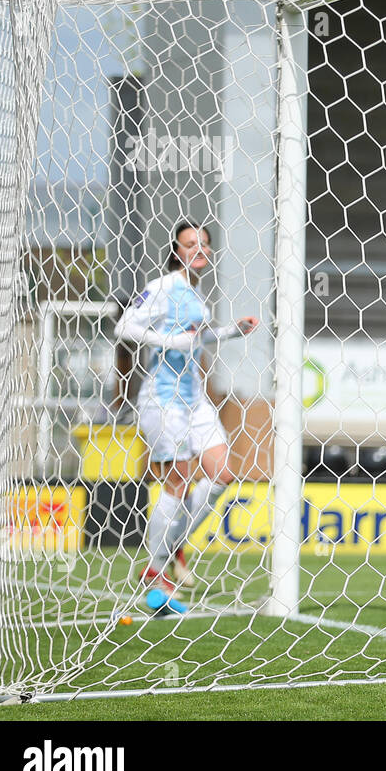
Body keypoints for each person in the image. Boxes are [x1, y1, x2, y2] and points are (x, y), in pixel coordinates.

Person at [116, 221, 259, 593]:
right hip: (163, 400)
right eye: (190, 244)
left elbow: (195, 340)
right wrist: (168, 339)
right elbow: (125, 328)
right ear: (177, 250)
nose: (199, 250)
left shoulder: (197, 297)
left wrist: (233, 331)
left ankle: (175, 543)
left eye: (204, 244)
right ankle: (155, 567)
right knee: (178, 481)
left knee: (222, 473)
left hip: (194, 400)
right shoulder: (162, 287)